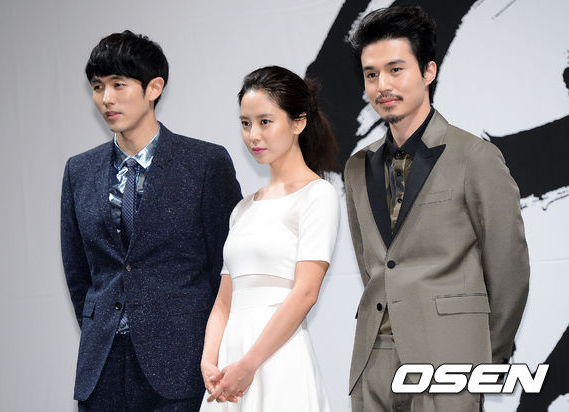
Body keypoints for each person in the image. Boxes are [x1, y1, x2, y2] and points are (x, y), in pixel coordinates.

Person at [344, 6, 530, 412]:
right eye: (371, 74)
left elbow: (509, 270)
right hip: (374, 359)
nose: (382, 85)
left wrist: (480, 360)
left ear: (428, 71)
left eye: (395, 70)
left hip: (449, 359)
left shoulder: (475, 156)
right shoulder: (357, 167)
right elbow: (374, 265)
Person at [60, 30, 242, 411]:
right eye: (97, 87)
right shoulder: (79, 171)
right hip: (102, 366)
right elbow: (79, 273)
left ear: (154, 88)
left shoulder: (204, 164)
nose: (106, 98)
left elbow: (227, 269)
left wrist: (213, 350)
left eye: (118, 84)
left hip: (181, 364)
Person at [199, 66, 340, 411]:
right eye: (245, 123)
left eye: (265, 122)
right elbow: (224, 301)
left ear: (298, 122)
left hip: (278, 358)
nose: (253, 135)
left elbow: (305, 293)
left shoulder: (318, 195)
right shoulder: (242, 209)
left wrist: (250, 364)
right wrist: (209, 360)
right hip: (230, 364)